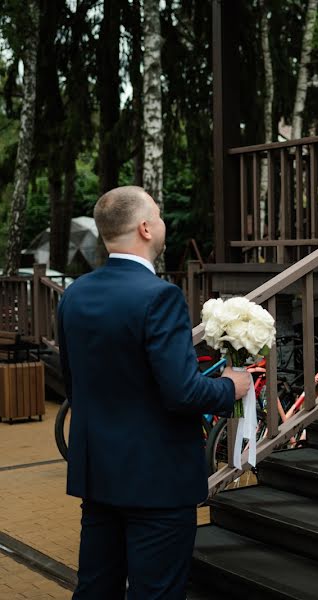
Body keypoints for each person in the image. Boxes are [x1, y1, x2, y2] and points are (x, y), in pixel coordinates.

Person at [58, 186, 252, 599]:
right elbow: (182, 392)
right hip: (157, 479)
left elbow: (73, 384)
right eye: (159, 216)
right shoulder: (159, 296)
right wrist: (230, 387)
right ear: (146, 228)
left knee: (95, 587)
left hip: (98, 472)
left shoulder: (75, 294)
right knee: (156, 592)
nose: (163, 223)